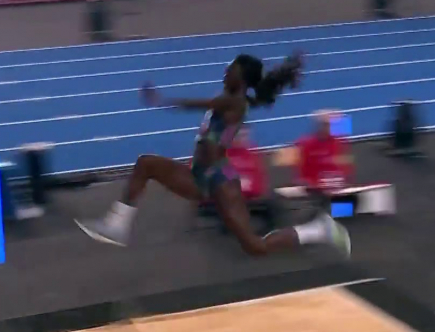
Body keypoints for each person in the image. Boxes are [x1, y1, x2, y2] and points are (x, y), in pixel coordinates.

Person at [75, 53, 351, 258]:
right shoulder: (233, 98)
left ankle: (319, 230)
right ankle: (318, 230)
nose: (225, 72)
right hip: (209, 173)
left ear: (241, 78)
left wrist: (162, 101)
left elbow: (195, 104)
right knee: (254, 246)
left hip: (214, 178)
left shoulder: (233, 101)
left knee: (255, 246)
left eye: (231, 70)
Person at [295, 110, 354, 204]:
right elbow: (301, 173)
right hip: (315, 190)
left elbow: (345, 167)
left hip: (336, 187)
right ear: (321, 126)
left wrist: (343, 182)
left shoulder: (340, 142)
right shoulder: (305, 143)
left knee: (348, 202)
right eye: (329, 125)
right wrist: (314, 185)